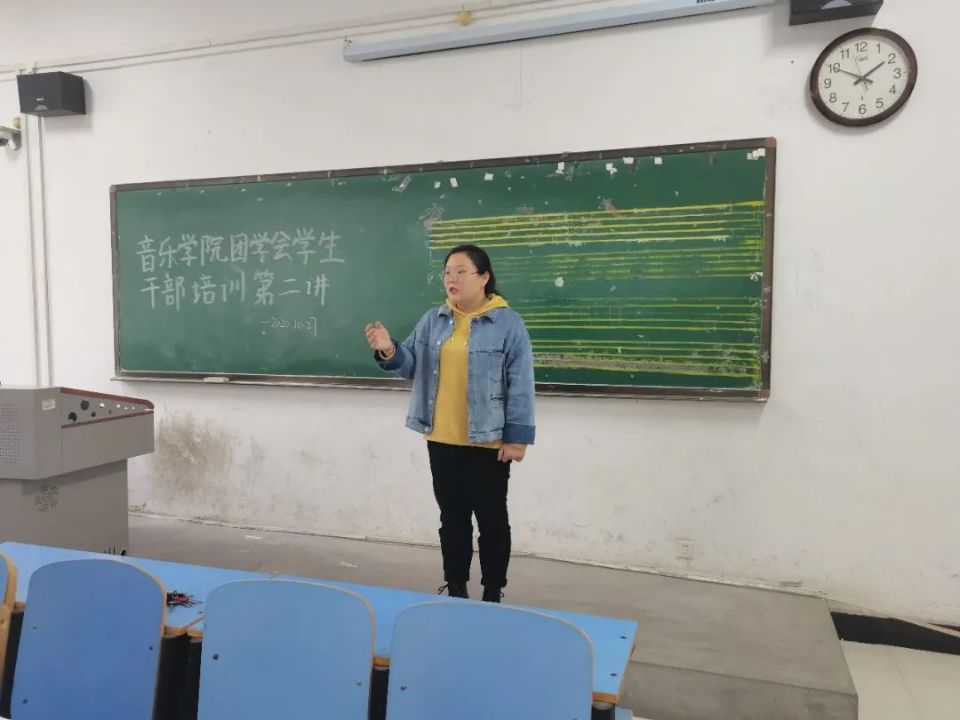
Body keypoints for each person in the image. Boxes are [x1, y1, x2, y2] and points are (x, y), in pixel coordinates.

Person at [365, 244, 535, 602]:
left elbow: (520, 384)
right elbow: (411, 365)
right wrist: (389, 349)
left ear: (484, 277)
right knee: (452, 518)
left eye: (460, 272)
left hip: (488, 441)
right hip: (442, 437)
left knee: (491, 520)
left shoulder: (508, 323)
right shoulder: (435, 319)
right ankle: (456, 586)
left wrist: (517, 438)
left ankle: (492, 590)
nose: (451, 279)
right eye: (447, 273)